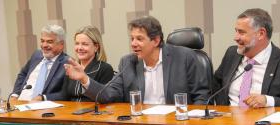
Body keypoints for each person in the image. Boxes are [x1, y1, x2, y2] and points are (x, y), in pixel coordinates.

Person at [64, 16, 209, 104]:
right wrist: (84, 78)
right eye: (132, 38)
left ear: (156, 40)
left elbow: (201, 96)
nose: (133, 43)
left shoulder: (185, 57)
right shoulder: (128, 62)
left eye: (139, 39)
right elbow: (107, 94)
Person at [213, 8, 280, 108]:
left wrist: (268, 101)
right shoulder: (232, 54)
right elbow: (215, 85)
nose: (235, 37)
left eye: (242, 32)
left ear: (261, 34)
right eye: (236, 31)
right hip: (228, 122)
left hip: (266, 124)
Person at [12, 24, 68, 101]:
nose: (44, 45)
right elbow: (23, 74)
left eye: (49, 42)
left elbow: (65, 93)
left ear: (61, 44)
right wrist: (15, 94)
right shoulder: (36, 55)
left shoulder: (67, 63)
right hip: (20, 103)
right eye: (42, 41)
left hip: (44, 107)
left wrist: (43, 98)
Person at [57, 26, 114, 101]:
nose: (79, 48)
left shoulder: (105, 69)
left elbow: (104, 98)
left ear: (96, 47)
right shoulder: (71, 67)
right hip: (70, 111)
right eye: (77, 43)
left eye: (85, 44)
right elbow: (63, 97)